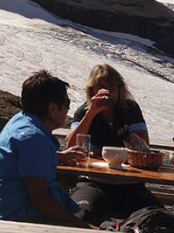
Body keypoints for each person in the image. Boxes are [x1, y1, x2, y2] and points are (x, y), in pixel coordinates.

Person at [0, 70, 92, 228]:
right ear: (52, 109)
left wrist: (58, 156)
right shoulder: (33, 139)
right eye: (66, 104)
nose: (67, 110)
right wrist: (83, 226)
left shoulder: (21, 120)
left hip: (13, 209)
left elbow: (25, 159)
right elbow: (41, 201)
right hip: (23, 216)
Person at [65, 64, 162, 223]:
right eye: (102, 88)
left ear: (119, 89)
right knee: (81, 215)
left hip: (129, 184)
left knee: (158, 218)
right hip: (93, 182)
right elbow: (71, 144)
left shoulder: (130, 109)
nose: (108, 92)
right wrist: (91, 113)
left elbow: (142, 146)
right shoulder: (84, 111)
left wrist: (107, 154)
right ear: (92, 90)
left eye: (112, 87)